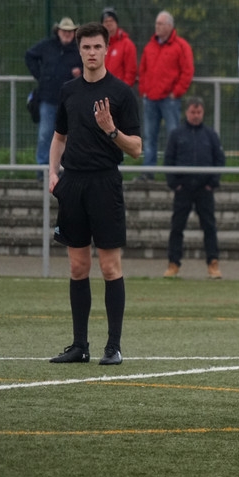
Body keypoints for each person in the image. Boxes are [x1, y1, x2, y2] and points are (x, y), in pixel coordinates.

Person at [48, 21, 142, 366]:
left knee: (109, 267)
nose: (91, 52)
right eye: (85, 47)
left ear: (107, 49)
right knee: (77, 267)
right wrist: (53, 172)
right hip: (73, 184)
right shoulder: (69, 91)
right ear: (79, 49)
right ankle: (79, 346)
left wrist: (111, 130)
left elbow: (136, 149)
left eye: (97, 47)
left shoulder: (121, 93)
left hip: (105, 184)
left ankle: (113, 346)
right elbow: (59, 137)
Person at [163, 96, 226, 280]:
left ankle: (213, 264)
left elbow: (220, 160)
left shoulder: (211, 135)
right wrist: (175, 184)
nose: (196, 115)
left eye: (198, 112)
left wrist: (211, 183)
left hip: (204, 189)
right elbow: (168, 160)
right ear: (186, 112)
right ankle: (173, 264)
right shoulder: (176, 135)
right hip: (183, 189)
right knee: (177, 227)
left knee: (209, 226)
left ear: (203, 113)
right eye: (192, 112)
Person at [138, 10, 194, 180]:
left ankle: (174, 172)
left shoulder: (181, 46)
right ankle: (148, 171)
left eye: (161, 24)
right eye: (156, 24)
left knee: (173, 136)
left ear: (170, 26)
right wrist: (144, 91)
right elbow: (143, 70)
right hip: (151, 99)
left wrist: (175, 93)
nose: (157, 27)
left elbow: (187, 71)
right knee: (149, 137)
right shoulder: (150, 46)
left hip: (169, 100)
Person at [25, 17, 83, 176]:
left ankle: (65, 169)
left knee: (68, 136)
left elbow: (90, 66)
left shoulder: (79, 50)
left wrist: (80, 73)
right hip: (48, 98)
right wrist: (40, 75)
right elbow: (29, 55)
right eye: (64, 31)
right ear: (58, 31)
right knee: (45, 135)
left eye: (70, 31)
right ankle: (43, 171)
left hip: (70, 101)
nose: (67, 34)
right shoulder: (46, 45)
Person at [101, 7, 138, 87]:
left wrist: (123, 90)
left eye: (111, 21)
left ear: (116, 23)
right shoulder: (99, 45)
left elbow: (131, 72)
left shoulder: (127, 44)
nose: (108, 24)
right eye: (105, 21)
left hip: (118, 92)